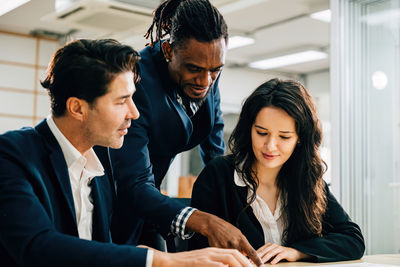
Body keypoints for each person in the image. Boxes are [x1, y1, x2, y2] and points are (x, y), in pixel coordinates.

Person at [0, 38, 254, 267]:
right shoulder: (12, 155)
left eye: (133, 99)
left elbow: (101, 250)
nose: (134, 113)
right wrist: (162, 260)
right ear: (77, 108)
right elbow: (37, 247)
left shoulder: (102, 167)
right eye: (122, 101)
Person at [109, 0, 262, 264]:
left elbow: (214, 133)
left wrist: (228, 199)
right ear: (168, 49)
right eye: (194, 69)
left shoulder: (207, 66)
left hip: (152, 198)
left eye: (216, 71)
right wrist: (203, 221)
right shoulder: (139, 82)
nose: (205, 81)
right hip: (117, 197)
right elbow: (134, 184)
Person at [188, 78, 366, 264]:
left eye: (284, 136)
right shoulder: (218, 175)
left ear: (299, 139)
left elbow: (352, 240)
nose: (270, 147)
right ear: (249, 130)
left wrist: (296, 252)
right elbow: (198, 254)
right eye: (262, 133)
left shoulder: (308, 179)